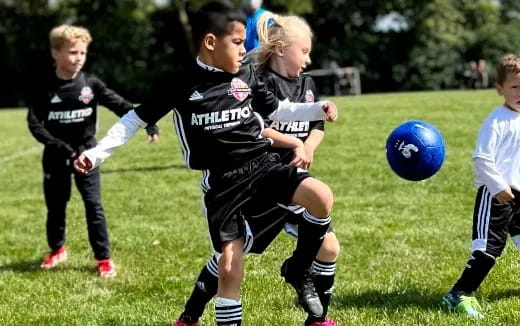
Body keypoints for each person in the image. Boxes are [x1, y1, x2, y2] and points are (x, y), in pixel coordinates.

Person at [73, 2, 338, 325]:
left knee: (321, 197)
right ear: (211, 43)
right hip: (223, 184)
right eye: (237, 43)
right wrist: (95, 153)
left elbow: (279, 110)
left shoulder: (246, 73)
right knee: (230, 267)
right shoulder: (181, 83)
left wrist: (317, 109)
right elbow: (133, 119)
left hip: (264, 165)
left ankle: (298, 268)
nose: (244, 51)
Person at [173, 14, 339, 326]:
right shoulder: (255, 80)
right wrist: (292, 141)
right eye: (303, 51)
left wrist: (308, 145)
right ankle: (191, 313)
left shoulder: (306, 85)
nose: (309, 59)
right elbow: (253, 129)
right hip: (260, 179)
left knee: (328, 245)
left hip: (288, 180)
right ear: (279, 49)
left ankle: (317, 317)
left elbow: (316, 125)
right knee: (230, 259)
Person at [27, 24, 159, 278]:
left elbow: (119, 104)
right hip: (56, 155)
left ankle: (103, 259)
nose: (78, 58)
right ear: (55, 53)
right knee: (56, 205)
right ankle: (57, 250)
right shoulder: (44, 86)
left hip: (88, 153)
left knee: (93, 204)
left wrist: (149, 123)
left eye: (82, 53)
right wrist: (59, 147)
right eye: (72, 52)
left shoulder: (90, 84)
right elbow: (34, 123)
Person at [441, 53, 520, 318]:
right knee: (488, 250)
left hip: (518, 194)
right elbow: (482, 158)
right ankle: (458, 294)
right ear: (499, 88)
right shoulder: (497, 120)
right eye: (515, 87)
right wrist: (498, 187)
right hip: (496, 194)